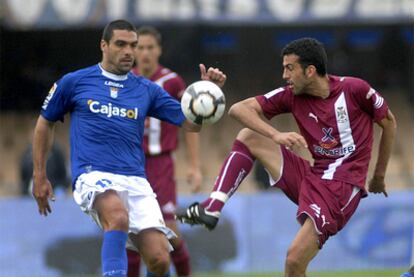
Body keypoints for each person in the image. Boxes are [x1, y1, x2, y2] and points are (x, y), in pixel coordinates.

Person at [177, 38, 397, 276]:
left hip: (342, 185)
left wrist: (378, 176)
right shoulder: (292, 96)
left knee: (294, 261)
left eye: (289, 68)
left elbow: (389, 122)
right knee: (250, 136)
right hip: (313, 175)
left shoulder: (354, 89)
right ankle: (212, 207)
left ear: (310, 70)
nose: (284, 75)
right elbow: (237, 109)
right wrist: (275, 134)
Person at [32, 19, 226, 277]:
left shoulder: (146, 90)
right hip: (93, 174)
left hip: (135, 179)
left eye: (132, 45)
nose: (129, 52)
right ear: (104, 45)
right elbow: (45, 123)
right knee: (118, 217)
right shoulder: (74, 82)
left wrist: (206, 96)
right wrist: (39, 174)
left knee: (159, 259)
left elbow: (191, 125)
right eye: (121, 44)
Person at [126, 26, 202, 277]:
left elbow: (189, 124)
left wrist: (194, 166)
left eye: (150, 47)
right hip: (131, 167)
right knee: (132, 237)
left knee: (168, 230)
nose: (145, 53)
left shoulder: (172, 81)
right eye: (141, 47)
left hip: (161, 165)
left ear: (159, 50)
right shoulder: (124, 81)